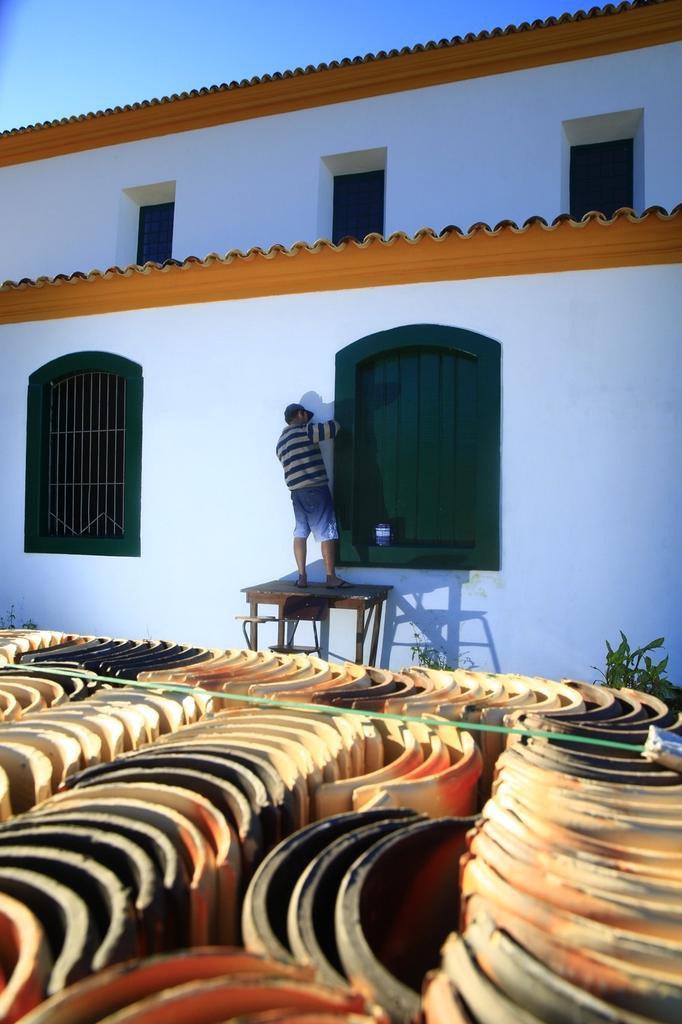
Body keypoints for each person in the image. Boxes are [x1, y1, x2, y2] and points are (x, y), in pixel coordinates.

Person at [276, 402, 349, 588]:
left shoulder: (280, 443)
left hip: (296, 493)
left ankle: (302, 577)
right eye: (306, 416)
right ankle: (331, 578)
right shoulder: (305, 431)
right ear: (299, 414)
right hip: (315, 489)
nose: (308, 419)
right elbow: (335, 428)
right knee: (327, 532)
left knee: (300, 532)